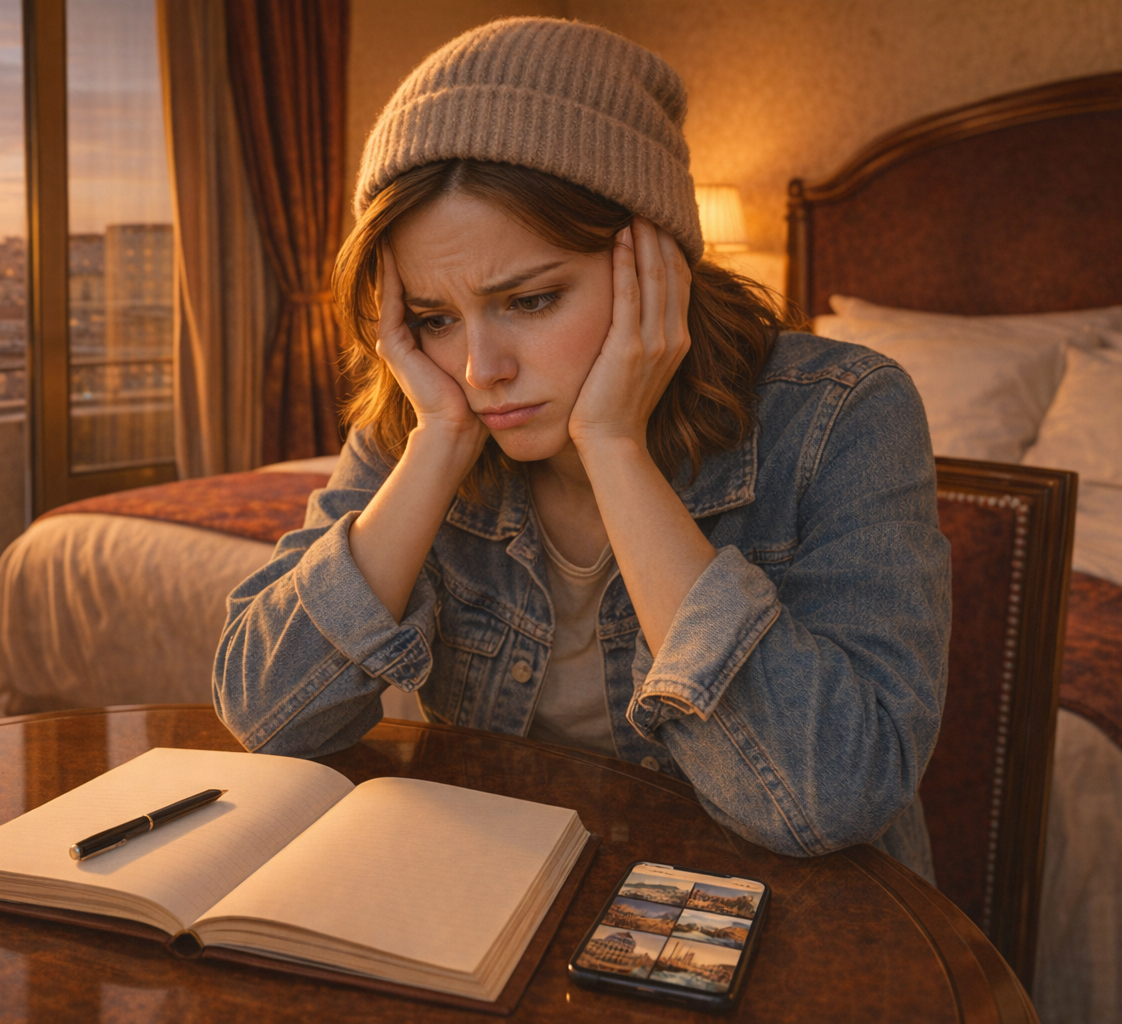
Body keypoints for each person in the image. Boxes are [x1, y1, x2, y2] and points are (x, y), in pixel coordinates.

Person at [213, 18, 949, 876]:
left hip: (780, 925)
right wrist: (436, 445)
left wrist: (614, 447)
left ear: (653, 263)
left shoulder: (844, 413)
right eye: (435, 318)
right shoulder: (431, 408)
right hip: (499, 902)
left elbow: (830, 797)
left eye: (531, 300)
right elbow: (269, 717)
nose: (482, 370)